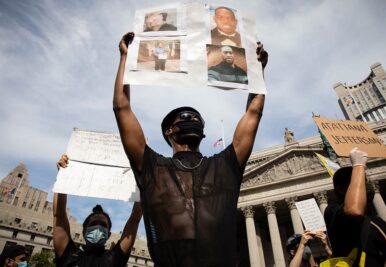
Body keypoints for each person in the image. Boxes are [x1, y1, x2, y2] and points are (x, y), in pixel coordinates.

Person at [113, 32, 268, 266]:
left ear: (203, 133)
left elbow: (253, 113)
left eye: (197, 119)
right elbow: (121, 107)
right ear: (169, 131)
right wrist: (125, 58)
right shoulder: (152, 167)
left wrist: (258, 72)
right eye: (185, 117)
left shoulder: (224, 166)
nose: (192, 119)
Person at [53, 154, 142, 266]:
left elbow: (135, 218)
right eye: (94, 223)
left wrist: (142, 178)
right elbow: (59, 216)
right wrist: (63, 176)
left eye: (103, 225)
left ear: (109, 234)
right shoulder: (68, 254)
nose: (98, 227)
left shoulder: (115, 258)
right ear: (84, 230)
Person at [324, 147, 386, 267]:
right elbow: (354, 210)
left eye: (364, 180)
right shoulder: (333, 211)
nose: (364, 184)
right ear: (341, 190)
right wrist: (358, 166)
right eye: (358, 181)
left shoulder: (378, 221)